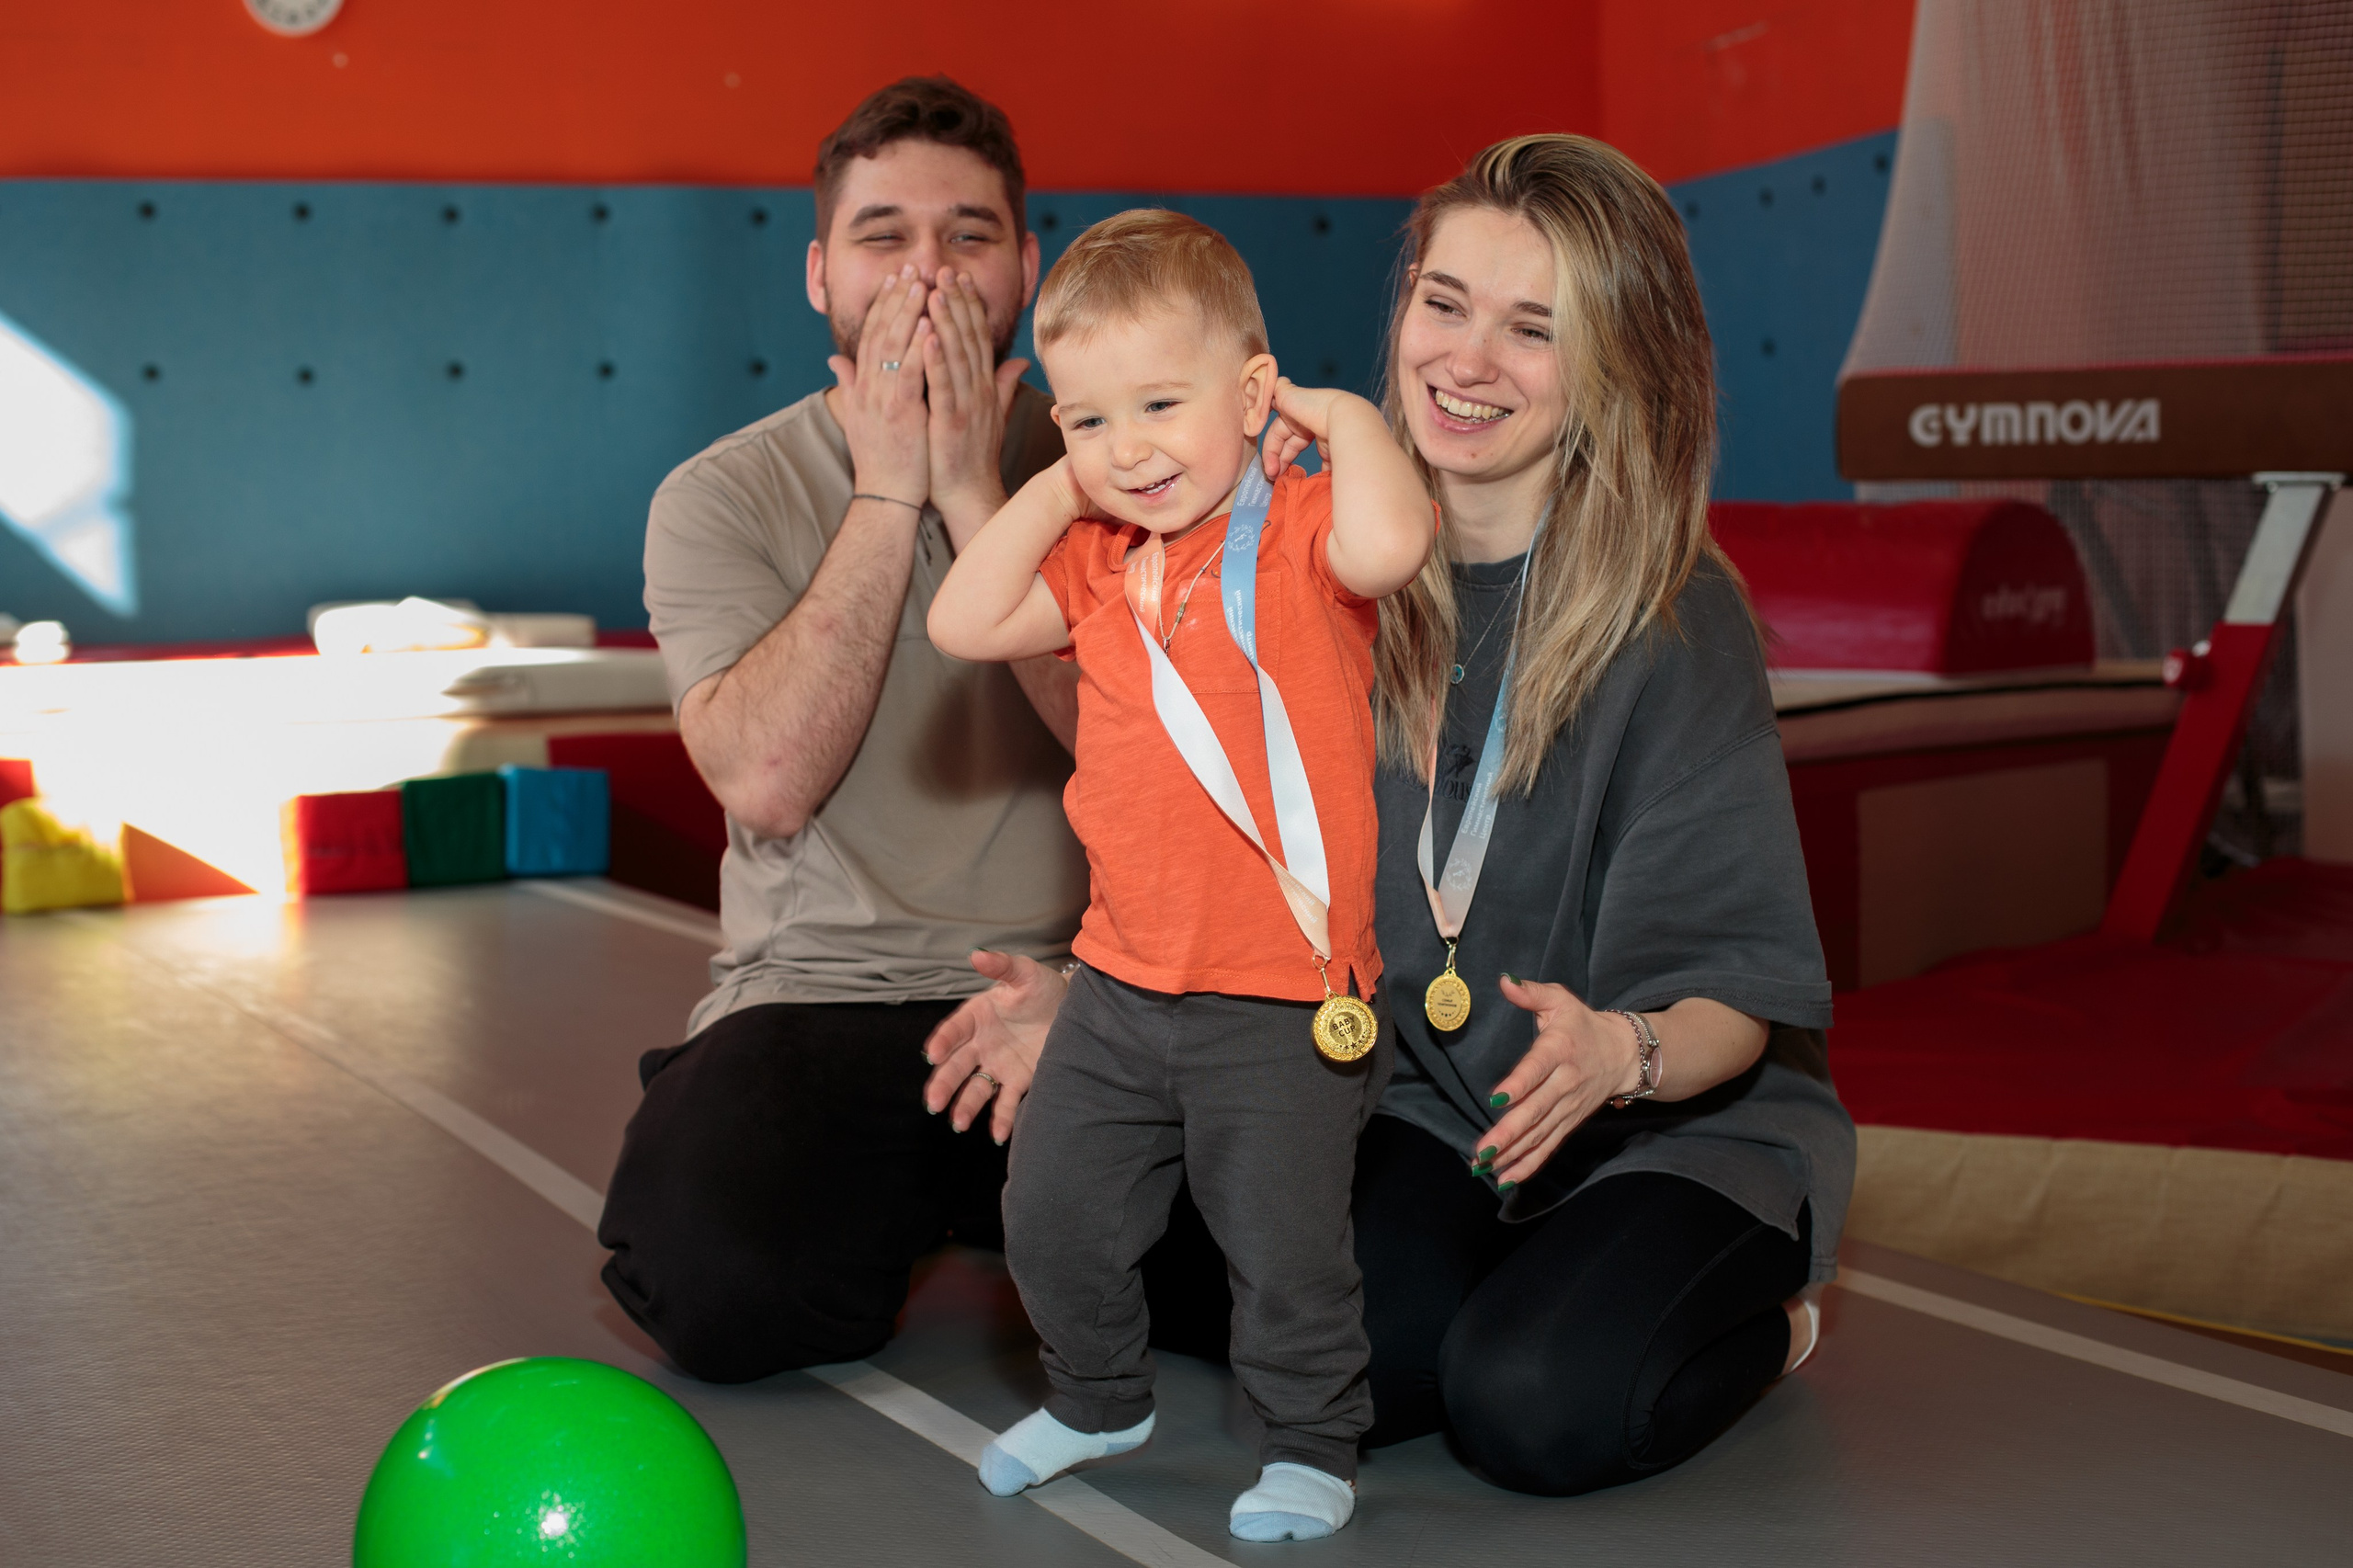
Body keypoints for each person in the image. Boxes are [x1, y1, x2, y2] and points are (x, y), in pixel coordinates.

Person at [921, 134, 1854, 1498]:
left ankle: (1770, 1319)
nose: (1468, 361)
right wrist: (1116, 994)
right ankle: (1500, 1273)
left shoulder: (1672, 618)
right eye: (1445, 304)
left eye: (1535, 329)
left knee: (1528, 1403)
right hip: (1422, 1099)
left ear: (1612, 366)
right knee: (1300, 1334)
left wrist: (1619, 1051)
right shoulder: (1305, 549)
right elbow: (1209, 820)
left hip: (1664, 1117)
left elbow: (1740, 1002)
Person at [925, 210, 1432, 1541]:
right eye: (1089, 418)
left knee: (1284, 1250)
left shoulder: (1306, 533)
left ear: (1250, 391)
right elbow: (961, 619)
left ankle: (1314, 1439)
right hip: (1118, 981)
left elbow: (1395, 546)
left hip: (1279, 995)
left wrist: (1334, 412)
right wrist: (1054, 484)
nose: (1128, 446)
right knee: (1049, 1210)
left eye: (1161, 403)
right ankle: (1098, 1398)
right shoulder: (1101, 563)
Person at [596, 76, 1089, 1384]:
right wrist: (886, 491)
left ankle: (995, 1207)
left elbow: (1151, 756)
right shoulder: (723, 494)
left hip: (1079, 1000)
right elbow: (765, 782)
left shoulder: (1122, 469)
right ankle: (890, 1192)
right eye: (884, 235)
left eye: (969, 235)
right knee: (717, 1284)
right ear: (821, 273)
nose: (926, 271)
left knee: (1292, 1269)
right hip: (825, 997)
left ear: (1027, 268)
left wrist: (979, 491)